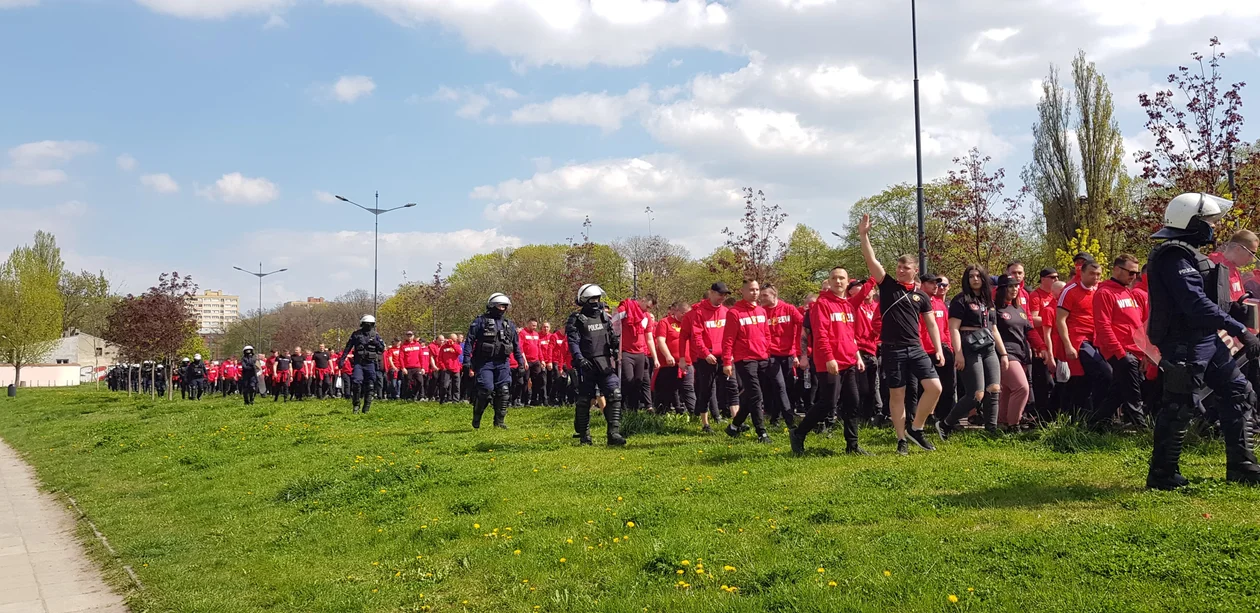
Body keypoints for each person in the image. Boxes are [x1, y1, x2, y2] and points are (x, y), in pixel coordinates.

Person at [1146, 193, 1260, 489]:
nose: (1212, 226)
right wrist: (1238, 328)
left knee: (1239, 393)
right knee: (1179, 405)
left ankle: (1243, 467)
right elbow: (1193, 303)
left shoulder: (1191, 254)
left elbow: (1205, 300)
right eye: (1208, 220)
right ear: (1192, 221)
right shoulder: (1173, 255)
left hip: (1207, 340)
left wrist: (1232, 309)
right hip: (1183, 342)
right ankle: (1162, 474)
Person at [857, 214, 944, 454]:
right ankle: (901, 439)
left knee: (935, 387)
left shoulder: (922, 296)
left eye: (906, 268)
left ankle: (916, 429)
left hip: (916, 348)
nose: (901, 270)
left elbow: (931, 324)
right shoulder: (886, 285)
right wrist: (864, 235)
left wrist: (938, 348)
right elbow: (870, 258)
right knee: (897, 395)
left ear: (915, 271)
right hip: (892, 349)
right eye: (899, 267)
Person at [791, 271, 875, 456]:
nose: (838, 281)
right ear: (829, 281)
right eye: (834, 278)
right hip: (830, 362)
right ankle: (798, 433)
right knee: (828, 403)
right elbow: (820, 334)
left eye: (842, 278)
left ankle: (852, 445)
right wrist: (829, 358)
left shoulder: (848, 304)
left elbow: (850, 333)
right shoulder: (821, 304)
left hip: (849, 361)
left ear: (847, 282)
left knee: (852, 402)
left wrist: (874, 276)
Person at [940, 265, 1009, 437]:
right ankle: (945, 424)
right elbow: (953, 328)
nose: (975, 279)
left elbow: (994, 329)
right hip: (969, 347)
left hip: (989, 347)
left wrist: (1004, 354)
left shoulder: (988, 301)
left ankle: (991, 431)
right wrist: (958, 353)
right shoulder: (961, 300)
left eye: (978, 276)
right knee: (976, 394)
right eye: (971, 276)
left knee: (994, 388)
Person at [1092, 254, 1149, 429]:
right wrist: (1120, 353)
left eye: (1136, 273)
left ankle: (1095, 425)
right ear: (1117, 269)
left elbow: (1137, 325)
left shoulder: (1127, 292)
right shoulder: (1104, 293)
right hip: (1122, 352)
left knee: (1117, 392)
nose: (1134, 277)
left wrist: (1145, 352)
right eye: (1131, 272)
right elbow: (1103, 326)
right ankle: (1142, 429)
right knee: (1133, 393)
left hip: (1135, 350)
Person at [566, 283, 627, 446]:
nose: (596, 302)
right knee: (585, 400)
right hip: (586, 364)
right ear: (584, 300)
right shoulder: (576, 319)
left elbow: (611, 335)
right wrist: (579, 359)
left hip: (605, 363)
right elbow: (573, 342)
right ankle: (584, 435)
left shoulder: (604, 317)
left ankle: (613, 434)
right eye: (592, 299)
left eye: (597, 299)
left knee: (614, 394)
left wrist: (615, 344)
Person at [1056, 260, 1113, 428]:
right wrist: (1068, 345)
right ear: (1082, 273)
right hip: (1079, 340)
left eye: (1098, 275)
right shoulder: (1070, 291)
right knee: (1105, 373)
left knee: (1084, 381)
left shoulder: (1101, 290)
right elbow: (1060, 320)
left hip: (1097, 339)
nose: (1095, 278)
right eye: (1092, 274)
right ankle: (1099, 417)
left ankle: (1078, 420)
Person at [722, 278, 773, 443]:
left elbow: (766, 333)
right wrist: (727, 362)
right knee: (756, 396)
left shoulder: (761, 311)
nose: (755, 293)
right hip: (745, 360)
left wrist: (767, 351)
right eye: (751, 290)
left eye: (757, 289)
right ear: (742, 292)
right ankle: (762, 432)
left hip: (762, 357)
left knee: (752, 395)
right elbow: (728, 339)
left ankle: (734, 426)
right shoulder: (734, 313)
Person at [465, 293, 526, 429]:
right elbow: (469, 341)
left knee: (504, 391)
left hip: (503, 363)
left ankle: (499, 422)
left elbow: (516, 345)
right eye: (500, 305)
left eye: (505, 306)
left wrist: (520, 362)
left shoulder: (509, 324)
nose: (503, 308)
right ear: (492, 306)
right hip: (484, 362)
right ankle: (477, 416)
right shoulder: (480, 321)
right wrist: (467, 361)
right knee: (486, 390)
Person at [689, 283, 738, 433]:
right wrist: (706, 353)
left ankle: (736, 422)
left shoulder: (726, 311)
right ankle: (705, 424)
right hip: (707, 358)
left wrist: (730, 354)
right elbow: (696, 336)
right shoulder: (699, 312)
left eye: (725, 295)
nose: (722, 297)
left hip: (724, 356)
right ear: (711, 293)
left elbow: (730, 336)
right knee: (706, 390)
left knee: (732, 387)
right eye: (720, 294)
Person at [760, 284, 802, 428]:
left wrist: (797, 352)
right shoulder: (762, 312)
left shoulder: (789, 309)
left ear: (774, 295)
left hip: (789, 354)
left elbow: (802, 324)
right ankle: (786, 420)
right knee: (778, 386)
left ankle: (776, 418)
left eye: (765, 295)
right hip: (771, 355)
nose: (761, 298)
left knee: (787, 387)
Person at [994, 275, 1032, 430]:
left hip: (1020, 353)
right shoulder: (995, 309)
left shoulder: (1019, 309)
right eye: (1010, 286)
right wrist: (1002, 354)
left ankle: (1002, 423)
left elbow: (1029, 330)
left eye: (1017, 286)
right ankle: (1013, 425)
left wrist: (1041, 347)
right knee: (1021, 388)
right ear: (1002, 289)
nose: (1014, 289)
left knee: (1008, 390)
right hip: (1005, 353)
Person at [1027, 268, 1059, 421]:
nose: (1055, 279)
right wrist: (1051, 318)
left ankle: (1052, 415)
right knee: (1044, 383)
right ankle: (1040, 416)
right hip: (1040, 345)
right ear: (1042, 279)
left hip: (1055, 344)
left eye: (1057, 277)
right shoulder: (1035, 296)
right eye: (1052, 277)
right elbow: (1032, 319)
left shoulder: (1055, 295)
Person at [654, 301, 695, 415]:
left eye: (687, 314)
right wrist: (668, 355)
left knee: (688, 388)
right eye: (683, 313)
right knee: (667, 389)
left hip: (687, 362)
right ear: (676, 311)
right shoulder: (665, 322)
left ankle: (694, 414)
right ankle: (663, 413)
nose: (685, 316)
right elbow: (660, 341)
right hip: (669, 363)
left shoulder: (690, 324)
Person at [851, 279, 883, 422]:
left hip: (873, 350)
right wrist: (873, 278)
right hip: (859, 350)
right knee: (862, 388)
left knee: (872, 387)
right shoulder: (854, 306)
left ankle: (869, 416)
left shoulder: (874, 307)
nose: (865, 290)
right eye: (859, 287)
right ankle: (858, 415)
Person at [616, 296, 656, 412]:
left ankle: (633, 411)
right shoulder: (626, 308)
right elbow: (615, 323)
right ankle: (621, 404)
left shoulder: (647, 316)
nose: (647, 310)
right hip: (626, 351)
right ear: (642, 300)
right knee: (628, 380)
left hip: (640, 353)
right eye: (647, 307)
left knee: (638, 382)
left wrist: (655, 357)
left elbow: (649, 338)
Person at [342, 315, 386, 414]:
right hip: (359, 363)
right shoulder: (356, 334)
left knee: (370, 385)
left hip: (370, 363)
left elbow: (382, 349)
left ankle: (366, 408)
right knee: (357, 382)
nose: (368, 326)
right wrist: (342, 360)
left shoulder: (375, 335)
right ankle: (356, 405)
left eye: (370, 324)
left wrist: (376, 343)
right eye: (366, 324)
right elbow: (348, 348)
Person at [1208, 229, 1260, 302]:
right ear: (1238, 249)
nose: (1251, 259)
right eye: (1250, 254)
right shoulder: (1216, 266)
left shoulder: (1233, 268)